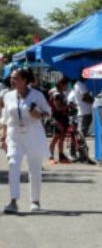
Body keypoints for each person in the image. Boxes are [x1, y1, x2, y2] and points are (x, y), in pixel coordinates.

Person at [0, 68, 52, 213]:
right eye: (11, 78)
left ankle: (35, 201)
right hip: (14, 135)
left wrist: (38, 114)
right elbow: (4, 118)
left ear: (24, 80)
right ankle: (13, 201)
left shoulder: (37, 95)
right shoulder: (8, 96)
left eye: (15, 78)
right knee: (13, 164)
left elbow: (48, 112)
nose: (12, 80)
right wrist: (3, 136)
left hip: (33, 135)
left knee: (34, 169)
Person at [48, 77, 71, 164]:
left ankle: (61, 156)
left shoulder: (62, 93)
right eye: (66, 85)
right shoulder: (56, 94)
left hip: (63, 117)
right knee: (55, 137)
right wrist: (68, 107)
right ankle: (50, 156)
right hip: (57, 118)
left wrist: (68, 106)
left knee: (62, 138)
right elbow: (57, 108)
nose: (67, 86)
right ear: (61, 85)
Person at [72, 77, 94, 156]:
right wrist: (94, 101)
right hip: (84, 112)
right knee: (82, 135)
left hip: (84, 112)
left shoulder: (78, 84)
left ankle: (81, 153)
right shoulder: (80, 84)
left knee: (82, 134)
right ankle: (82, 154)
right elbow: (85, 97)